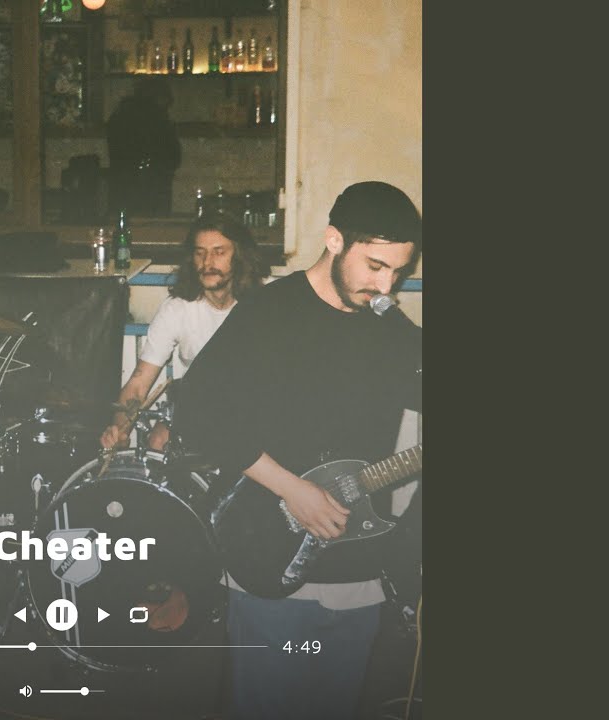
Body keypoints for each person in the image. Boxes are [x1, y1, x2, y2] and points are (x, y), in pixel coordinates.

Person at [174, 181, 423, 720]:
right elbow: (195, 412)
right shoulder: (270, 312)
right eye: (376, 266)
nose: (387, 286)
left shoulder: (390, 329)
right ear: (334, 240)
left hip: (360, 576)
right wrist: (293, 490)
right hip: (272, 563)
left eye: (399, 272)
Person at [100, 214, 268, 452]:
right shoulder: (177, 309)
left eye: (219, 252)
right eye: (200, 253)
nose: (207, 262)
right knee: (158, 441)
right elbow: (138, 384)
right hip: (198, 411)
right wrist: (120, 430)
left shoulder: (262, 306)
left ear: (240, 256)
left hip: (250, 412)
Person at [106, 76, 181, 216]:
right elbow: (173, 155)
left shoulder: (121, 114)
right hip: (152, 185)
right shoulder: (158, 119)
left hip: (123, 184)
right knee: (154, 225)